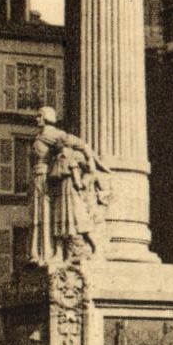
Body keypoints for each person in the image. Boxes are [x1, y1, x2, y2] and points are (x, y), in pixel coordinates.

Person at [29, 106, 109, 264]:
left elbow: (81, 145)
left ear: (46, 118)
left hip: (47, 179)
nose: (37, 118)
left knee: (54, 217)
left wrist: (92, 164)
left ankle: (47, 252)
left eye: (39, 116)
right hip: (44, 179)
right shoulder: (42, 135)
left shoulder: (53, 134)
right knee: (49, 218)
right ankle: (42, 253)